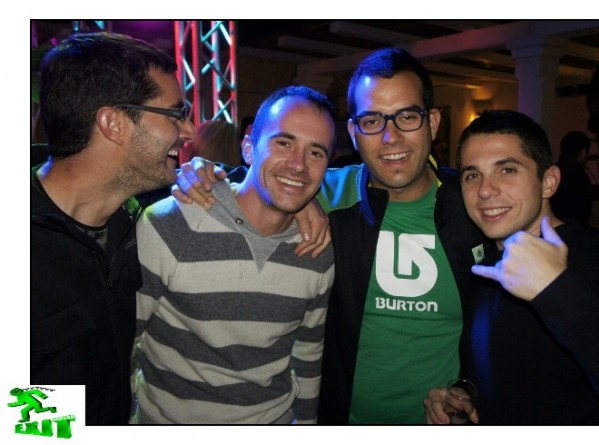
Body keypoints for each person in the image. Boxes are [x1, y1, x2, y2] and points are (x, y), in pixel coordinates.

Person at [173, 48, 486, 424]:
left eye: (407, 117)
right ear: (353, 133)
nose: (391, 137)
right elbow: (263, 180)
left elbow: (506, 331)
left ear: (432, 123)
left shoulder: (474, 207)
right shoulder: (328, 192)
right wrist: (202, 172)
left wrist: (470, 390)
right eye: (372, 120)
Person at [131, 86, 336, 424]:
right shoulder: (171, 224)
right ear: (249, 146)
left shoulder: (317, 248)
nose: (299, 165)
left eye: (316, 152)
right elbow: (124, 344)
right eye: (283, 143)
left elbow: (308, 355)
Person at [424, 110, 599, 425]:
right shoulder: (484, 268)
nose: (485, 190)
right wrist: (464, 397)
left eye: (507, 170)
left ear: (548, 182)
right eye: (472, 175)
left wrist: (557, 289)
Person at [30, 32, 197, 425]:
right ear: (114, 123)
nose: (189, 131)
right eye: (175, 115)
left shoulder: (139, 217)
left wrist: (298, 204)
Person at [550, 130, 593, 224]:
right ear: (583, 152)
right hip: (574, 228)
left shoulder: (551, 172)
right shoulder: (580, 176)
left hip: (551, 226)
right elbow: (584, 212)